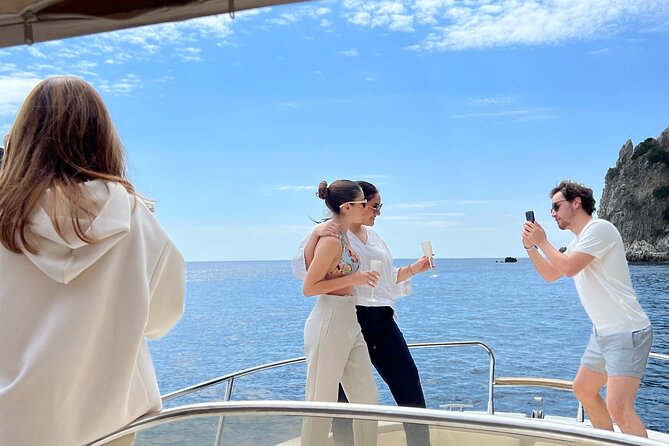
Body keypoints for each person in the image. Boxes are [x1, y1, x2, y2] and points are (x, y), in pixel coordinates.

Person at [0, 77, 185, 446]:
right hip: (107, 424)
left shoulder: (5, 214)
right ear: (102, 138)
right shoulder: (138, 221)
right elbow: (162, 318)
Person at [294, 181, 432, 446]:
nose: (377, 212)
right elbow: (309, 275)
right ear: (353, 206)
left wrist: (414, 269)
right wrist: (315, 234)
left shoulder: (366, 237)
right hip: (343, 315)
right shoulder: (333, 235)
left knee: (388, 392)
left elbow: (382, 280)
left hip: (373, 319)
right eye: (373, 206)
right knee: (331, 403)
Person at [522, 180, 652, 438]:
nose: (552, 213)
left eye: (556, 206)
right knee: (583, 390)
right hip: (603, 333)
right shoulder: (580, 241)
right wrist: (531, 247)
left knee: (619, 407)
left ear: (576, 202)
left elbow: (569, 267)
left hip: (627, 331)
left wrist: (543, 241)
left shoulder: (599, 229)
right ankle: (609, 443)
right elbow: (550, 273)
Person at [301, 179, 380, 446]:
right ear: (347, 207)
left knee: (368, 401)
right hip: (329, 319)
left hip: (348, 321)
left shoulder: (340, 234)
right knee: (320, 404)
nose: (366, 207)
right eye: (362, 204)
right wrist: (355, 280)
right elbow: (310, 287)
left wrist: (314, 234)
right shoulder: (332, 241)